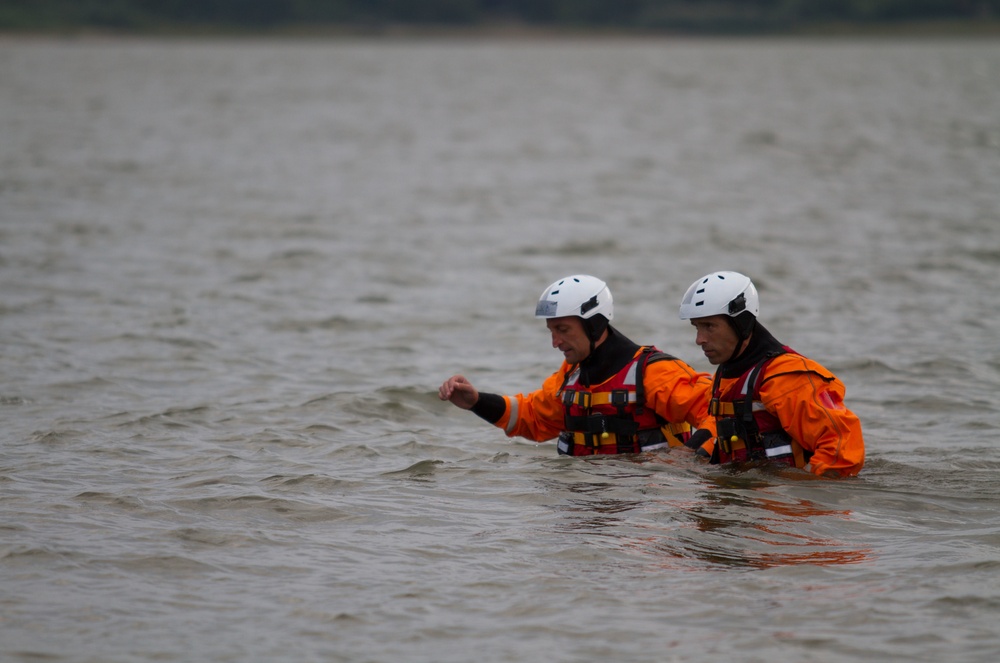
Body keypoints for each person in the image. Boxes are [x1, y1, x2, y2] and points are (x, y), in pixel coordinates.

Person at [439, 275, 715, 456]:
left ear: (594, 325)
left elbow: (718, 413)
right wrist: (476, 401)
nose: (555, 342)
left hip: (644, 510)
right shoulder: (571, 376)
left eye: (563, 330)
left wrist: (690, 457)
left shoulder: (655, 373)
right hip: (585, 503)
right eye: (551, 331)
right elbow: (533, 417)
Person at [678, 271, 865, 477]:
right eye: (696, 327)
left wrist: (806, 500)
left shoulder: (786, 377)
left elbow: (842, 449)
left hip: (785, 503)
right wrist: (693, 455)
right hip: (747, 497)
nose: (699, 339)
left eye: (709, 326)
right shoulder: (727, 376)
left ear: (741, 323)